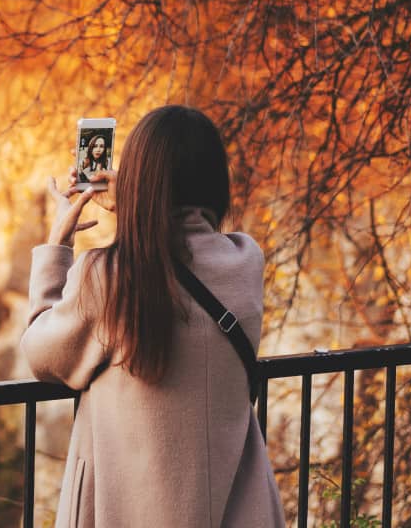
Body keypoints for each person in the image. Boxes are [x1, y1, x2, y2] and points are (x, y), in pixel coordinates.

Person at [22, 105, 286, 528]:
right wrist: (138, 204)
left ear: (140, 181)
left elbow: (41, 353)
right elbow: (178, 251)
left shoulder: (106, 278)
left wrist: (57, 247)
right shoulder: (244, 263)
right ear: (216, 183)